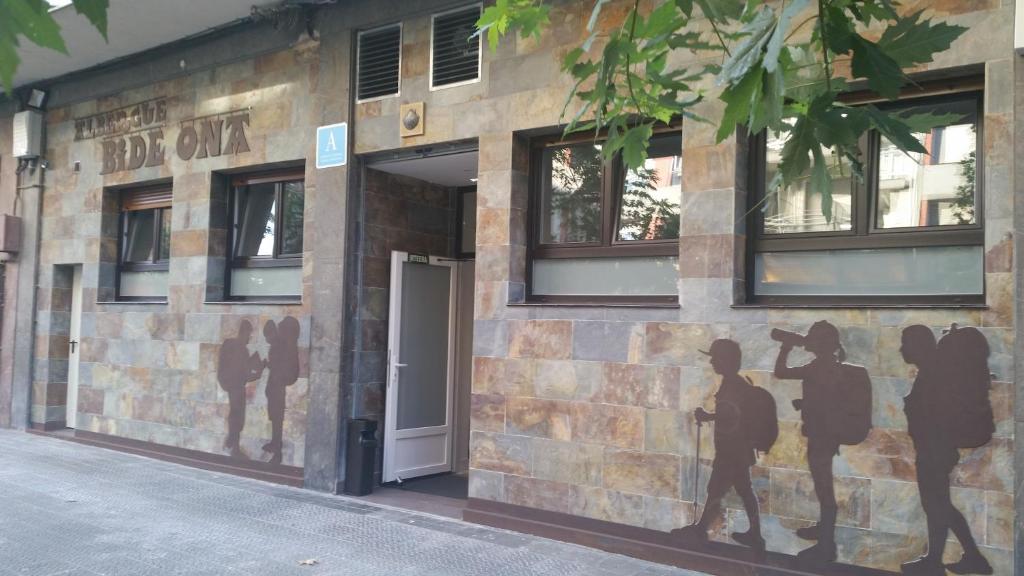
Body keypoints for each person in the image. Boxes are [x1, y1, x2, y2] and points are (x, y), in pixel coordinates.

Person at [900, 325, 992, 575]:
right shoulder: (932, 371)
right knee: (938, 505)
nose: (901, 349)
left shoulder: (933, 374)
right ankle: (959, 558)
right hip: (935, 447)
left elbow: (934, 414)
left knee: (937, 505)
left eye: (905, 343)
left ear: (919, 345)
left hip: (934, 449)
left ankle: (951, 559)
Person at [671, 339, 764, 551]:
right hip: (735, 450)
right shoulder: (733, 383)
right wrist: (711, 416)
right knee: (740, 489)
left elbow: (733, 415)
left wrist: (707, 416)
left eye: (715, 357)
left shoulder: (734, 385)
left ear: (726, 360)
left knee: (716, 489)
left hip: (732, 450)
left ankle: (701, 530)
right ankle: (753, 534)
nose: (712, 361)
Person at [772, 321, 845, 564]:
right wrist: (805, 404)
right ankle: (824, 531)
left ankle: (826, 545)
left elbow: (781, 371)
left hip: (821, 435)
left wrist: (786, 347)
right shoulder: (830, 365)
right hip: (825, 433)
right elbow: (828, 400)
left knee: (824, 490)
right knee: (824, 488)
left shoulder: (817, 367)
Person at [217, 320, 264, 459]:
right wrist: (259, 371)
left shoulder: (230, 345)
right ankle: (233, 446)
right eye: (249, 334)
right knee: (238, 417)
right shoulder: (241, 349)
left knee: (235, 415)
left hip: (232, 385)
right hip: (237, 387)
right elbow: (244, 374)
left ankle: (232, 443)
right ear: (244, 332)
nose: (249, 338)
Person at [263, 317, 301, 465]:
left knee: (277, 418)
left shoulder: (282, 345)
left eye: (268, 336)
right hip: (274, 386)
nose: (267, 340)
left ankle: (277, 453)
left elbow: (281, 367)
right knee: (274, 418)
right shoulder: (280, 345)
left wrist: (269, 365)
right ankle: (274, 443)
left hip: (277, 387)